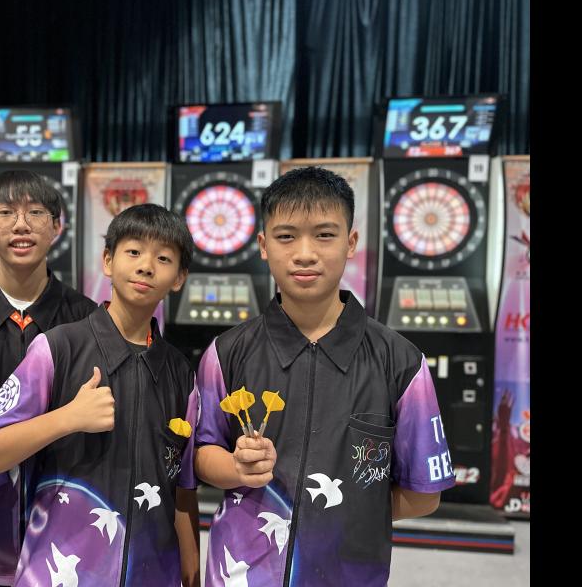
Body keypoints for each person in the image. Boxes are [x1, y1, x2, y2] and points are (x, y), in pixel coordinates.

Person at [194, 167, 455, 586]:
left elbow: (424, 494)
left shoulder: (402, 362)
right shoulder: (226, 353)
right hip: (241, 574)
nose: (304, 253)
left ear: (351, 243)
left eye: (324, 235)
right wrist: (237, 467)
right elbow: (203, 453)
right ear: (263, 245)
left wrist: (347, 509)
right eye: (286, 236)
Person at [0, 204, 201, 586]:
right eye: (134, 251)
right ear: (107, 261)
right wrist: (66, 418)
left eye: (164, 258)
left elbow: (183, 493)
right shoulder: (57, 349)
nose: (146, 266)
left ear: (179, 278)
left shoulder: (180, 373)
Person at [0, 169, 97, 586]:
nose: (21, 225)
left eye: (35, 212)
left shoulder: (89, 320)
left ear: (57, 227)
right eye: (6, 213)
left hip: (62, 514)